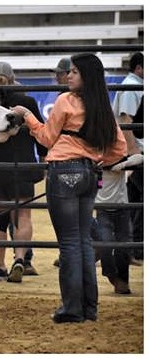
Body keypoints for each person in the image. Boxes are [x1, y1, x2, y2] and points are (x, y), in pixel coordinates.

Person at [12, 53, 127, 323]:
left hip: (63, 171)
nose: (69, 75)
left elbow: (47, 137)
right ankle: (89, 308)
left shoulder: (65, 101)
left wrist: (28, 116)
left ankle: (71, 308)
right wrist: (100, 160)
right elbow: (119, 147)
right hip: (89, 174)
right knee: (85, 242)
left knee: (70, 243)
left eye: (74, 71)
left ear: (85, 75)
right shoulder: (101, 106)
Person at [0, 62, 46, 282]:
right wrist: (44, 158)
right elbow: (39, 132)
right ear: (14, 78)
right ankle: (20, 259)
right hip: (23, 165)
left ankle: (0, 267)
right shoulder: (27, 102)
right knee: (23, 215)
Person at [95, 153, 143, 295]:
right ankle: (111, 275)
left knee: (124, 245)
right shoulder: (95, 164)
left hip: (122, 209)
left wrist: (123, 165)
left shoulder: (120, 162)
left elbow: (140, 157)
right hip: (103, 210)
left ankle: (122, 280)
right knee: (106, 243)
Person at [112, 52, 144, 262]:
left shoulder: (134, 85)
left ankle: (132, 246)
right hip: (136, 151)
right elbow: (126, 119)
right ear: (139, 68)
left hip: (134, 149)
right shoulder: (133, 86)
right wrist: (134, 153)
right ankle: (137, 246)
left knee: (133, 199)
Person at [50, 57, 71, 268]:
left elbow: (50, 135)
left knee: (65, 215)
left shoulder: (63, 99)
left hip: (63, 161)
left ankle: (69, 254)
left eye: (61, 73)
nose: (57, 77)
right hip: (83, 164)